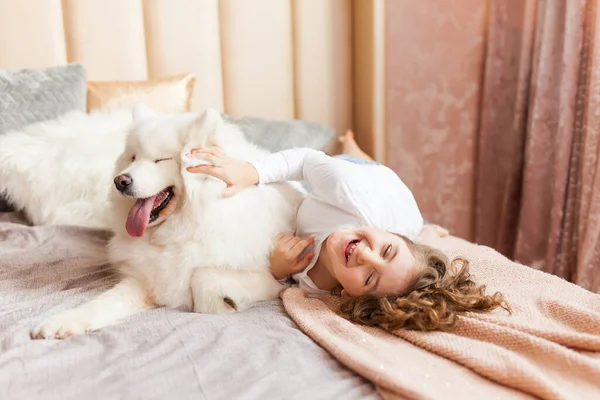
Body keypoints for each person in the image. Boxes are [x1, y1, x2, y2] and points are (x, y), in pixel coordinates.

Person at [186, 130, 509, 331]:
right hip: (372, 179)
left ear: (348, 295)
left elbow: (282, 281)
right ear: (391, 235)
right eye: (386, 250)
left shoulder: (317, 288)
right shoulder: (349, 191)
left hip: (392, 219)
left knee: (410, 242)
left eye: (370, 278)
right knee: (349, 162)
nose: (364, 255)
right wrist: (251, 171)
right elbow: (306, 160)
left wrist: (278, 270)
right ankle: (353, 148)